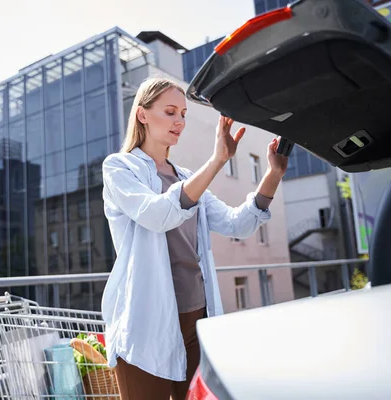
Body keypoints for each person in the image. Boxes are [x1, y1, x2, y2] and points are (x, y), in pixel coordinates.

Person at [101, 77, 288, 400]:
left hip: (196, 319)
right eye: (170, 112)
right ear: (143, 115)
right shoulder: (120, 168)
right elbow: (158, 215)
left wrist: (273, 174)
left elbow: (236, 224)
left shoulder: (187, 178)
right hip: (147, 325)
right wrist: (217, 161)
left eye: (184, 114)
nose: (180, 122)